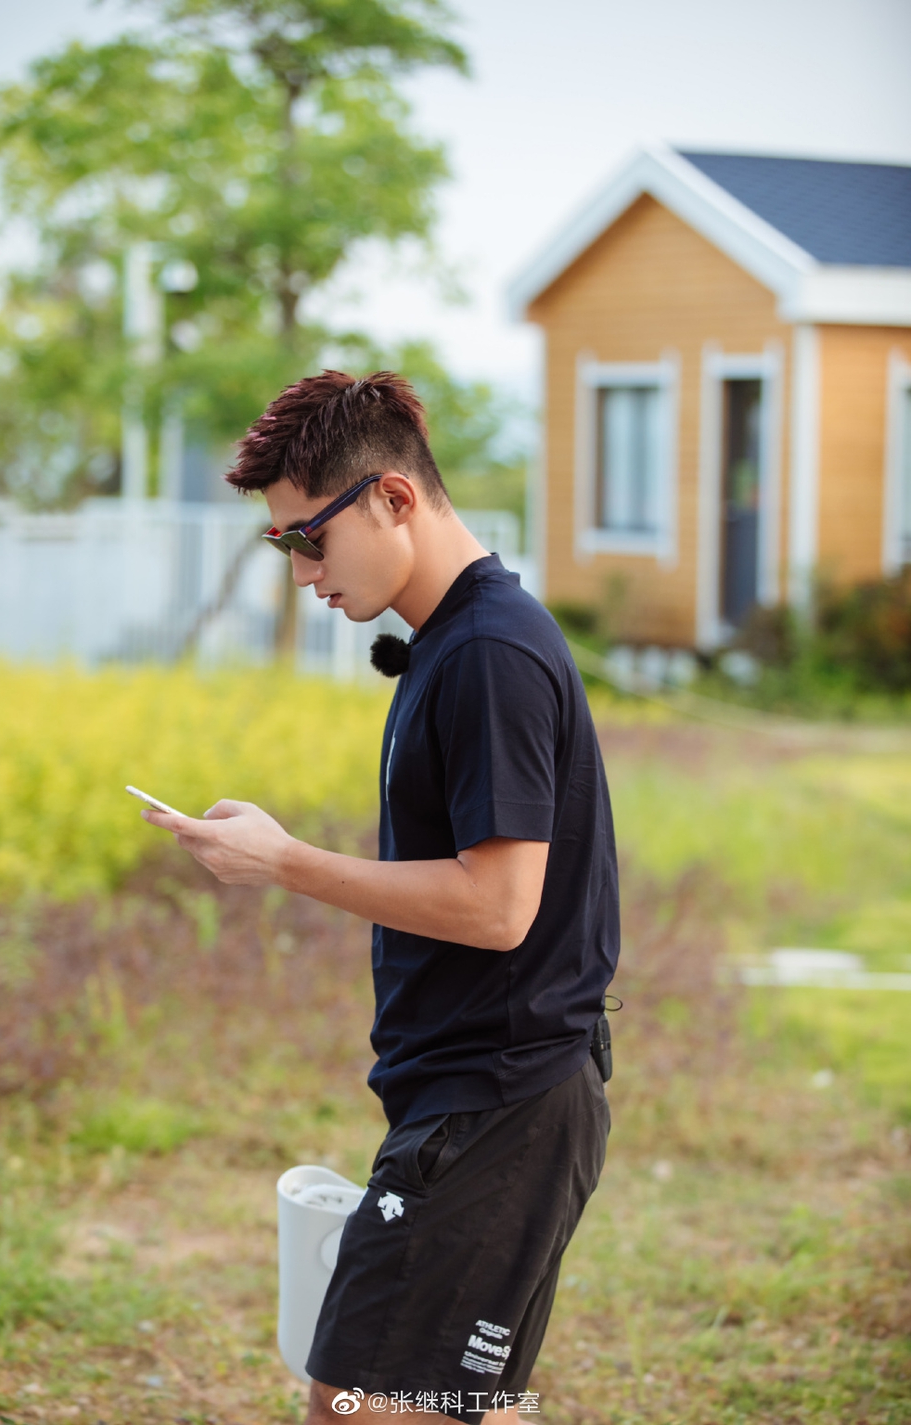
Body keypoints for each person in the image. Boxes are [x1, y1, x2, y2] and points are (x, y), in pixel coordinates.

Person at [142, 371, 619, 1424]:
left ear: (393, 499)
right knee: (454, 1403)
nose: (301, 571)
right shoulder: (448, 643)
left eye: (306, 539)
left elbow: (499, 908)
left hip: (497, 1100)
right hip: (489, 1093)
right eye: (281, 549)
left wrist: (285, 862)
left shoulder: (487, 652)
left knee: (354, 1401)